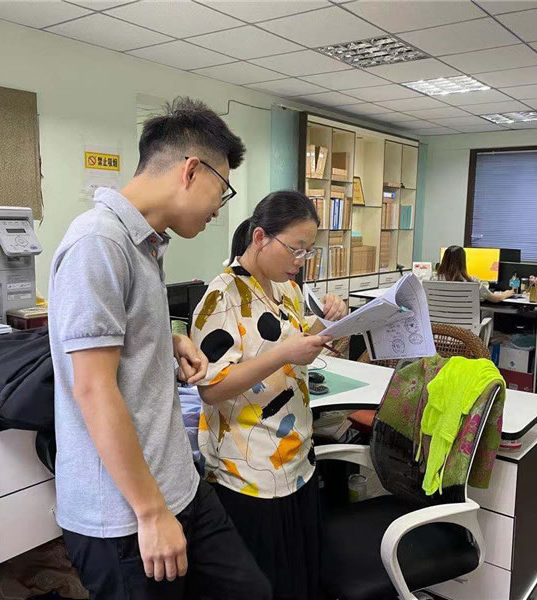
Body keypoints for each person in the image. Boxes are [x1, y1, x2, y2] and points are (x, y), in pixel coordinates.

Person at [48, 97, 271, 599]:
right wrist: (150, 513)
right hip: (126, 514)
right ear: (191, 170)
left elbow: (116, 339)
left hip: (177, 482)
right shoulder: (98, 243)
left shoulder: (144, 243)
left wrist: (168, 342)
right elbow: (93, 388)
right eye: (222, 188)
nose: (220, 208)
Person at [190, 191, 348, 600]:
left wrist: (333, 321)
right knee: (267, 584)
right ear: (260, 237)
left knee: (300, 580)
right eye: (296, 248)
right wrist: (283, 354)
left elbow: (300, 347)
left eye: (308, 251)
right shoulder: (221, 298)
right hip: (250, 472)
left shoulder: (286, 289)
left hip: (296, 459)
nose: (301, 260)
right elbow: (212, 389)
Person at [437, 245, 515, 302]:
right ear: (463, 262)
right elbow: (494, 298)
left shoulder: (434, 279)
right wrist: (506, 294)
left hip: (438, 320)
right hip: (465, 320)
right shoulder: (472, 282)